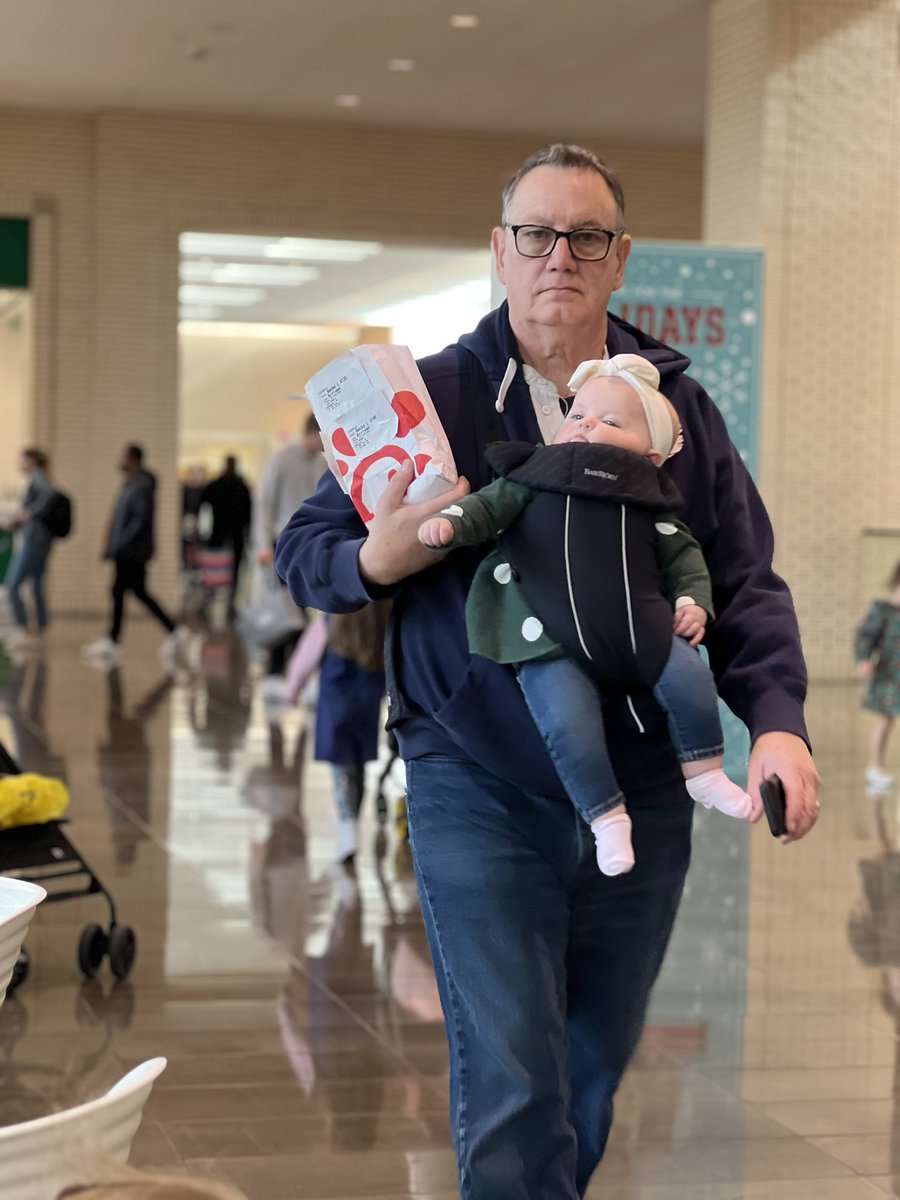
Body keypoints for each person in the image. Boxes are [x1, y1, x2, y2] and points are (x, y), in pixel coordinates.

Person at [275, 143, 820, 1198]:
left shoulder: (675, 415)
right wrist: (374, 558)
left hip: (647, 783)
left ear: (617, 259)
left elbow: (743, 577)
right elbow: (309, 551)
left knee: (591, 1072)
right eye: (535, 234)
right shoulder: (428, 396)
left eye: (585, 237)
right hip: (473, 776)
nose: (557, 257)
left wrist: (781, 723)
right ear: (501, 250)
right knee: (516, 1072)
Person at [418, 354, 752, 875]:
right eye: (577, 415)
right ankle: (606, 818)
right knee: (567, 722)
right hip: (544, 637)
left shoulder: (650, 503)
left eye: (611, 422)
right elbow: (487, 507)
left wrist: (692, 603)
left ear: (653, 454)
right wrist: (452, 523)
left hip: (641, 629)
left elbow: (685, 559)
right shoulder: (533, 474)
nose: (587, 423)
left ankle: (705, 770)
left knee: (689, 679)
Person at [82, 444, 188, 667]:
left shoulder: (140, 485)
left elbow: (138, 521)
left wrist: (119, 545)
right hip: (128, 550)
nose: (119, 460)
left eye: (123, 457)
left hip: (132, 551)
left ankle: (115, 640)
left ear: (133, 459)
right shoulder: (132, 484)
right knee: (133, 592)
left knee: (122, 591)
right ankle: (172, 630)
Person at [315, 600, 391, 863]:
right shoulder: (385, 613)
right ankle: (352, 820)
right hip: (366, 702)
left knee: (341, 769)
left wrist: (292, 688)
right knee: (358, 768)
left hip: (336, 700)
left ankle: (347, 826)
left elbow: (309, 652)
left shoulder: (335, 612)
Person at [253, 415, 324, 677]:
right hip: (280, 542)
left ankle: (295, 669)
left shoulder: (322, 464)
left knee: (301, 606)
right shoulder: (282, 459)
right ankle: (274, 668)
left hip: (307, 544)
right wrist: (262, 544)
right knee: (282, 607)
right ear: (312, 432)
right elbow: (265, 504)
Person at [2, 448, 58, 648]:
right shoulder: (39, 477)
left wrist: (29, 513)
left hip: (34, 539)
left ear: (32, 461)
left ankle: (23, 628)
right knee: (35, 583)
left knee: (12, 584)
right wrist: (18, 521)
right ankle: (40, 630)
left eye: (22, 460)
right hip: (40, 538)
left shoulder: (38, 476)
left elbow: (49, 496)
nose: (20, 464)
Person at [854, 560, 900, 792]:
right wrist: (863, 659)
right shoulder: (883, 611)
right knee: (885, 720)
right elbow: (865, 637)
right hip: (890, 677)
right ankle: (875, 766)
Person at [199, 455, 252, 616]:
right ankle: (213, 596)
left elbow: (248, 514)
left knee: (233, 569)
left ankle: (230, 600)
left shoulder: (239, 487)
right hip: (220, 534)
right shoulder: (218, 486)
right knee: (216, 568)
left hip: (233, 535)